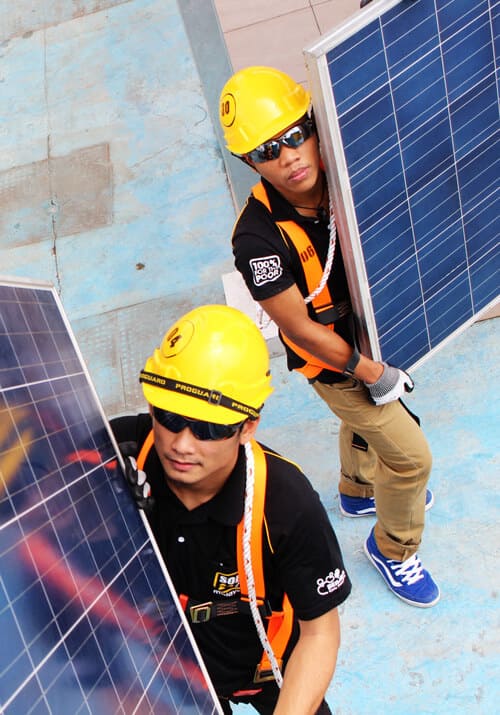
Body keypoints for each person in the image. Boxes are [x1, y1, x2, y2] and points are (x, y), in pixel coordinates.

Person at [218, 65, 439, 608]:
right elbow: (301, 331)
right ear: (250, 162)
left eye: (297, 135)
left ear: (316, 127)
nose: (291, 156)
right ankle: (393, 547)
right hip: (335, 360)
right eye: (269, 150)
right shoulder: (258, 239)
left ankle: (358, 490)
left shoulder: (347, 170)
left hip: (374, 326)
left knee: (366, 424)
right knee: (410, 459)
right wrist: (372, 373)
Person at [111, 304, 351, 715]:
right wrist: (103, 502)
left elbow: (319, 632)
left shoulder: (285, 504)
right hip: (172, 674)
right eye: (169, 417)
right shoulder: (117, 454)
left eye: (209, 428)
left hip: (268, 675)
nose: (182, 445)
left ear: (248, 426)